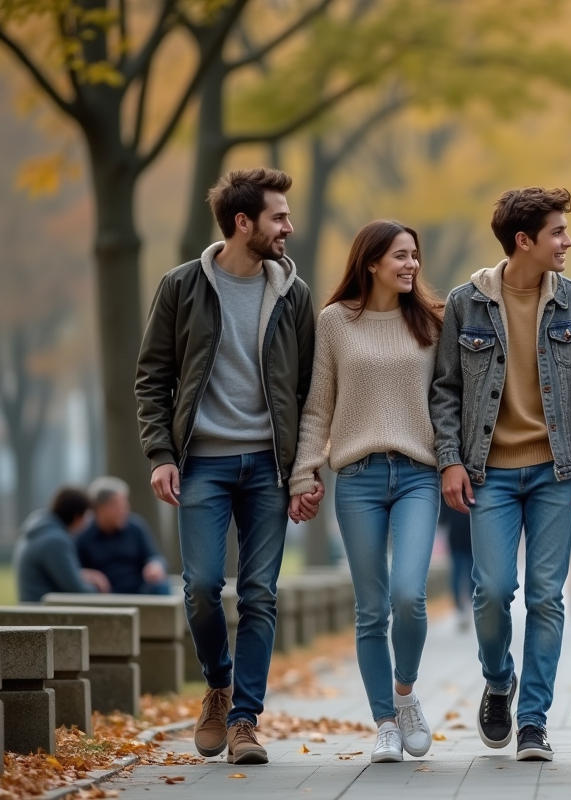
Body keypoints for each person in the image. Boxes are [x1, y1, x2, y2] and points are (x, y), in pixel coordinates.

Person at [135, 167, 320, 766]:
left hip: (269, 467)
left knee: (260, 593)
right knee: (201, 588)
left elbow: (310, 391)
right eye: (278, 217)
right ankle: (218, 684)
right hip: (202, 466)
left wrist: (305, 471)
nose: (288, 227)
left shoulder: (293, 293)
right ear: (243, 223)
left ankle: (244, 720)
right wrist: (161, 455)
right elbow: (153, 377)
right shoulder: (182, 286)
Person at [430, 187, 571, 762]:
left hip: (554, 471)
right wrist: (450, 460)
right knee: (491, 591)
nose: (567, 241)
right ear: (524, 241)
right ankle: (498, 680)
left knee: (545, 596)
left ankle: (533, 721)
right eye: (557, 232)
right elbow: (445, 390)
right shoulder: (465, 304)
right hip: (488, 473)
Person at [290, 220, 442, 764]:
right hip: (357, 478)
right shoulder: (335, 322)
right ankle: (384, 724)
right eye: (400, 255)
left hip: (418, 473)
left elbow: (449, 402)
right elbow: (318, 407)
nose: (411, 264)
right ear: (371, 262)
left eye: (414, 255)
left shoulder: (432, 322)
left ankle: (404, 694)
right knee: (371, 608)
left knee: (409, 595)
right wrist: (304, 473)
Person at [75, 476, 170, 595]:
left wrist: (155, 566)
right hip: (103, 594)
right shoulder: (83, 533)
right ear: (101, 508)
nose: (125, 509)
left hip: (139, 591)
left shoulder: (136, 527)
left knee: (161, 586)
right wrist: (89, 575)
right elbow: (74, 569)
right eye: (118, 504)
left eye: (125, 503)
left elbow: (154, 556)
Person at [15, 487, 109, 601]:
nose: (88, 522)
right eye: (86, 516)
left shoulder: (41, 529)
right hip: (44, 610)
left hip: (33, 606)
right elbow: (77, 591)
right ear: (77, 517)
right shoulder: (56, 541)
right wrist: (98, 590)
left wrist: (82, 575)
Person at [440, 497, 474, 632]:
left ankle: (463, 608)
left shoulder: (450, 490)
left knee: (462, 574)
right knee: (465, 575)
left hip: (463, 537)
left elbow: (443, 517)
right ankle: (464, 608)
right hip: (466, 537)